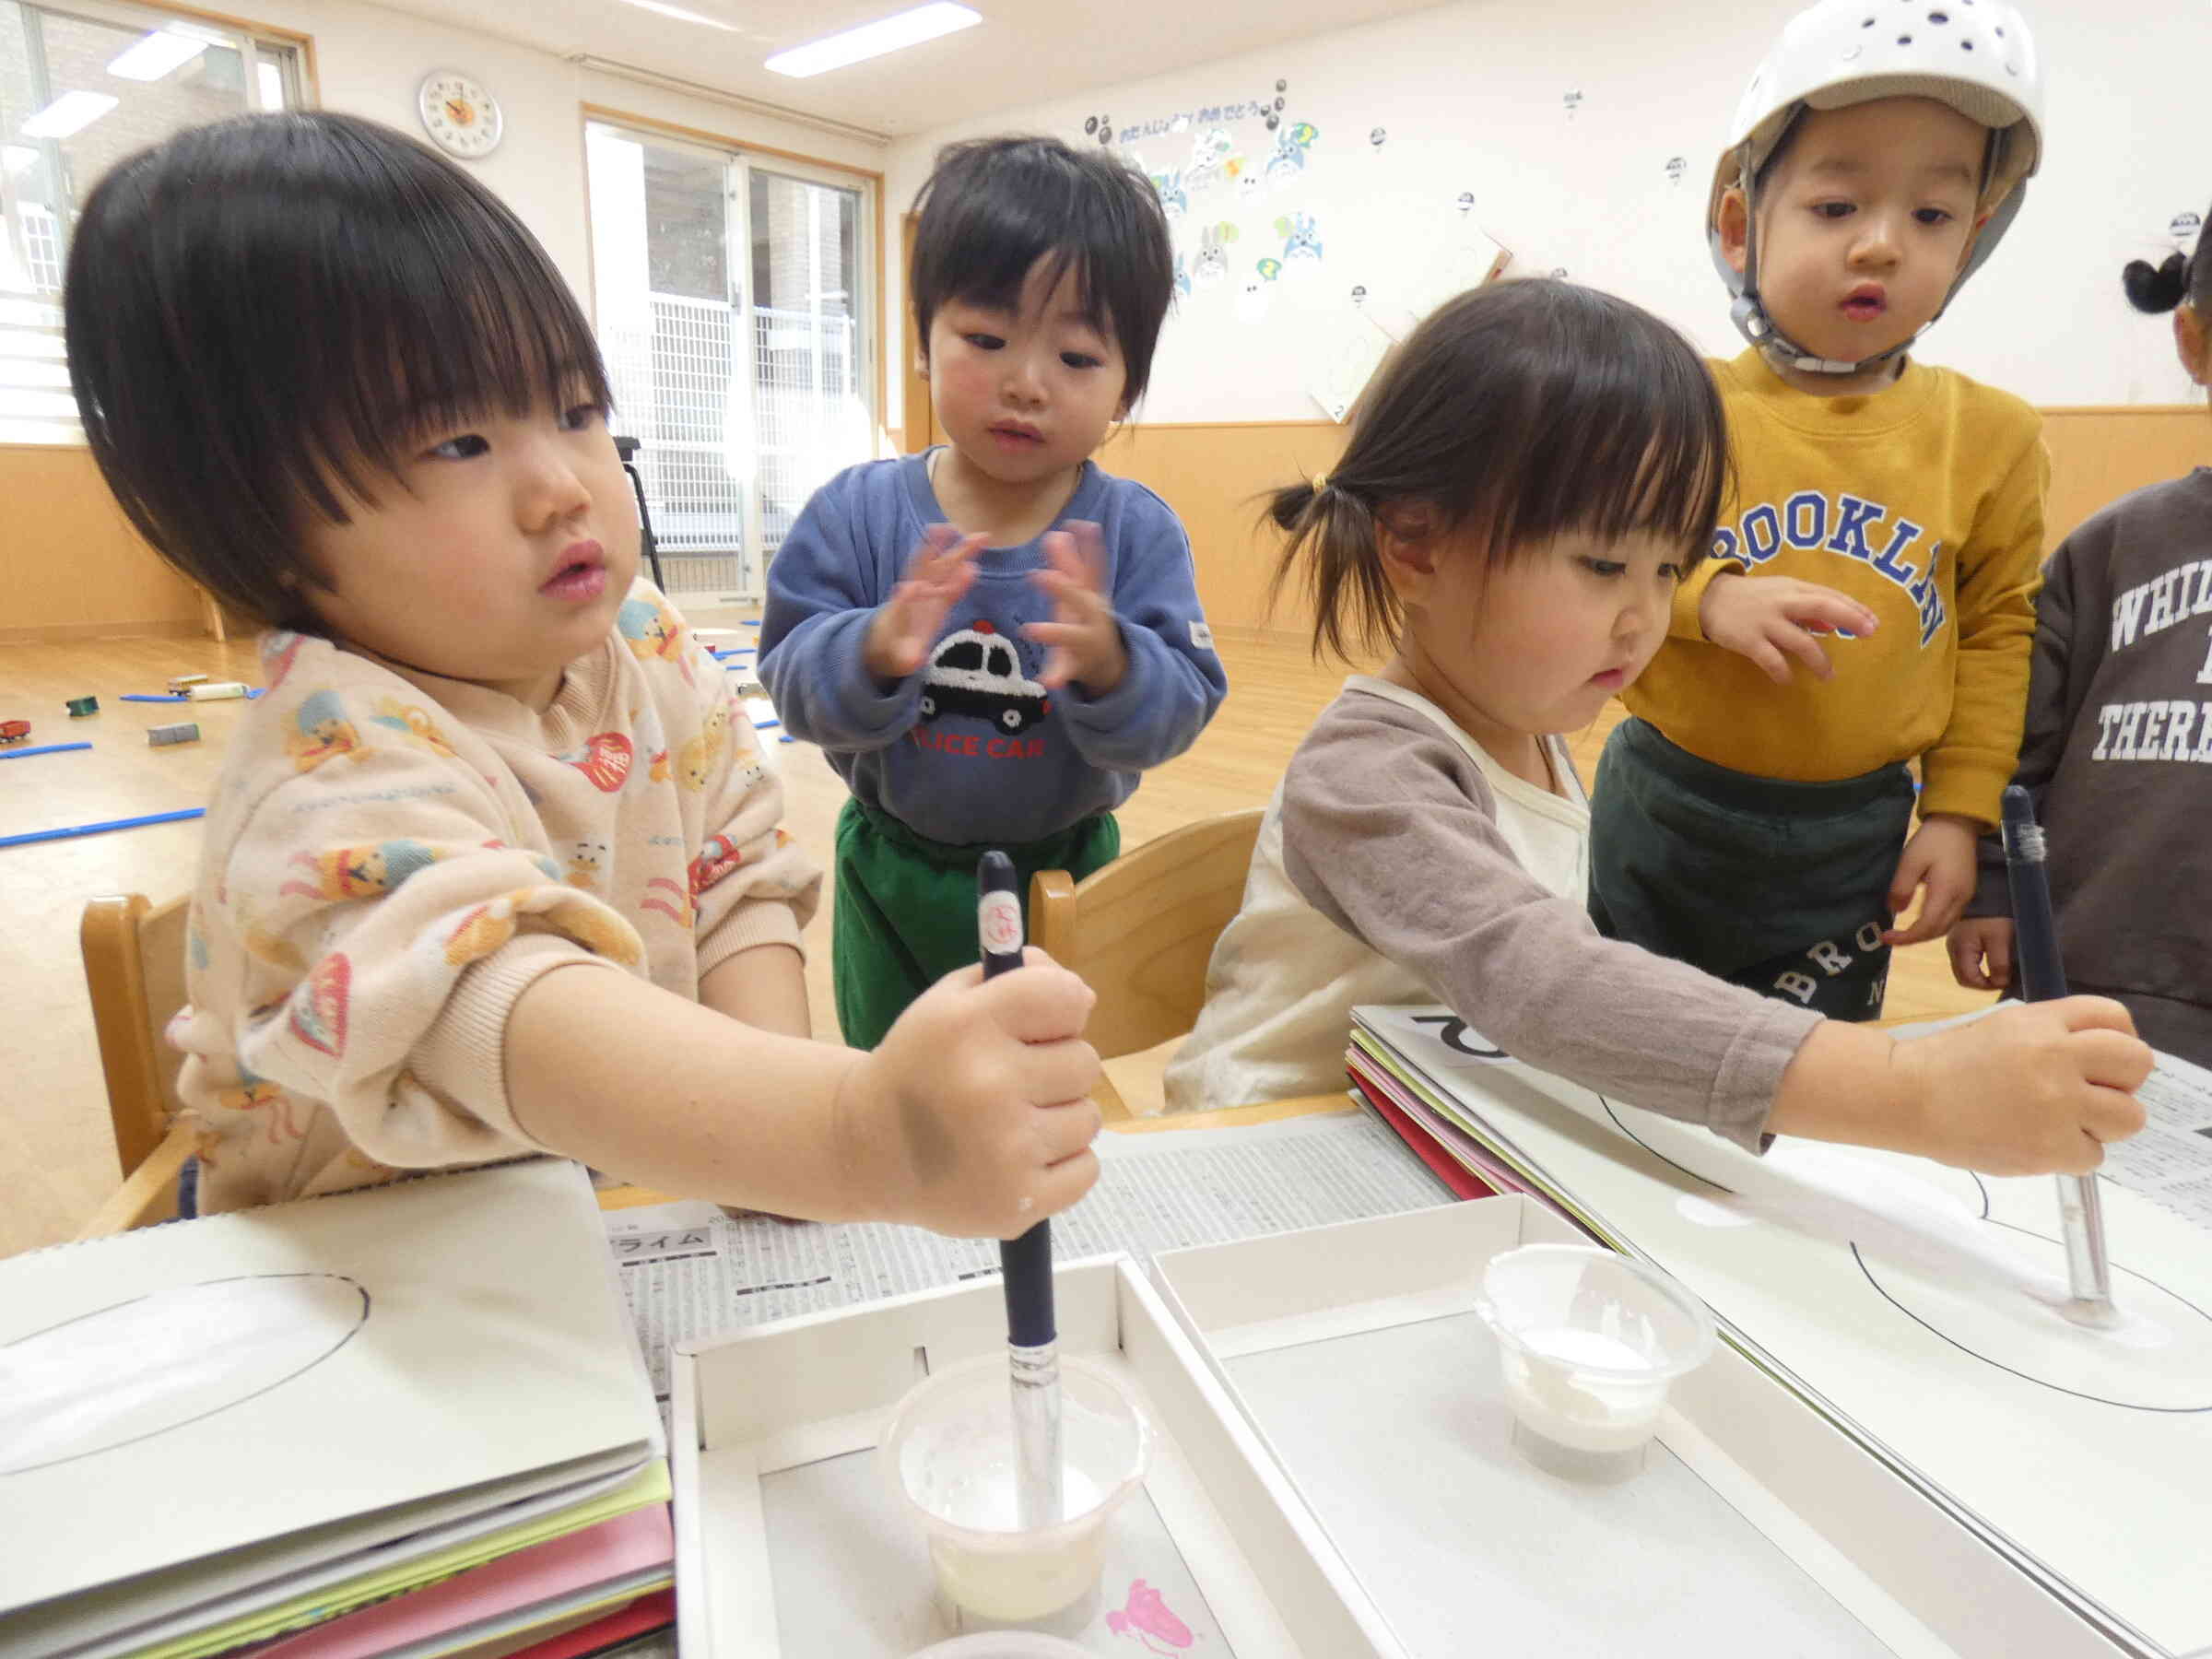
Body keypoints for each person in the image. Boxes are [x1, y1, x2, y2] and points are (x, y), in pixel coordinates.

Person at [65, 111, 1100, 1233]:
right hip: (349, 1272)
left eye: (574, 410)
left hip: (600, 1219)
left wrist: (779, 1164)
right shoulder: (330, 766)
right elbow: (493, 1001)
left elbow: (731, 877)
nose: (563, 484)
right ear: (258, 528)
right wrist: (844, 1135)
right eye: (459, 443)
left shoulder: (641, 644)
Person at [1165, 279, 2147, 1177]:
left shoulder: (1534, 736)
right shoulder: (1368, 773)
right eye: (1603, 567)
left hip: (1428, 1124)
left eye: (1670, 569)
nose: (1644, 619)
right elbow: (1541, 983)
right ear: (1417, 547)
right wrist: (1909, 1086)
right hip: (1271, 1149)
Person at [1589, 0, 2048, 1020]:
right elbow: (1593, 557)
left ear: (1970, 241)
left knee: (1807, 1075)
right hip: (1669, 804)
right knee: (1622, 1047)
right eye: (1837, 207)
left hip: (1855, 832)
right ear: (1744, 225)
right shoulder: (1678, 402)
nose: (1881, 246)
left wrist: (1959, 813)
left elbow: (1998, 635)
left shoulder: (1995, 436)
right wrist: (1707, 600)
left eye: (1930, 216)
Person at [758, 135, 1227, 1051]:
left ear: (1127, 386)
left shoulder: (1136, 531)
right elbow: (789, 684)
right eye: (986, 339)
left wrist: (1113, 662)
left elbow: (1181, 709)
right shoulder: (857, 513)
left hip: (1067, 873)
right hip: (893, 866)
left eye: (1079, 358)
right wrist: (871, 647)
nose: (1025, 382)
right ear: (926, 342)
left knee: (1044, 1069)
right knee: (890, 1070)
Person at [1947, 224, 2212, 1067]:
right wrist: (1990, 880)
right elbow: (2018, 740)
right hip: (2084, 982)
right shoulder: (2113, 548)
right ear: (2193, 339)